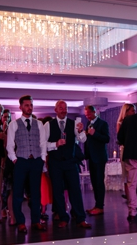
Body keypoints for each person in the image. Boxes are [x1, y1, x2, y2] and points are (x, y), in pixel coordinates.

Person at [46, 100, 91, 229]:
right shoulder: (48, 125)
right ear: (55, 110)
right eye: (60, 108)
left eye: (65, 108)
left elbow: (83, 139)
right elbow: (43, 145)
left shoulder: (74, 124)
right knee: (58, 191)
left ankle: (80, 218)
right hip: (56, 163)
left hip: (70, 162)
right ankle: (63, 217)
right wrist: (55, 144)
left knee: (75, 190)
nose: (63, 110)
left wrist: (82, 131)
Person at [7, 95, 47, 232]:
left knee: (36, 193)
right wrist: (14, 159)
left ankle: (36, 220)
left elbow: (43, 143)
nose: (29, 107)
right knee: (18, 193)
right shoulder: (13, 124)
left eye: (31, 105)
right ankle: (21, 222)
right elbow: (10, 145)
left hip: (36, 161)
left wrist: (42, 158)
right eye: (26, 105)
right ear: (20, 107)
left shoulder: (39, 124)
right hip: (21, 161)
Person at [84, 105, 110, 215]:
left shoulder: (103, 123)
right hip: (91, 156)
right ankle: (97, 205)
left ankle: (100, 206)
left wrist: (95, 133)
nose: (87, 116)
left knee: (99, 182)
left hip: (99, 157)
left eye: (89, 114)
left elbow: (107, 139)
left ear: (94, 112)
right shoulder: (88, 124)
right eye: (86, 115)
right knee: (94, 182)